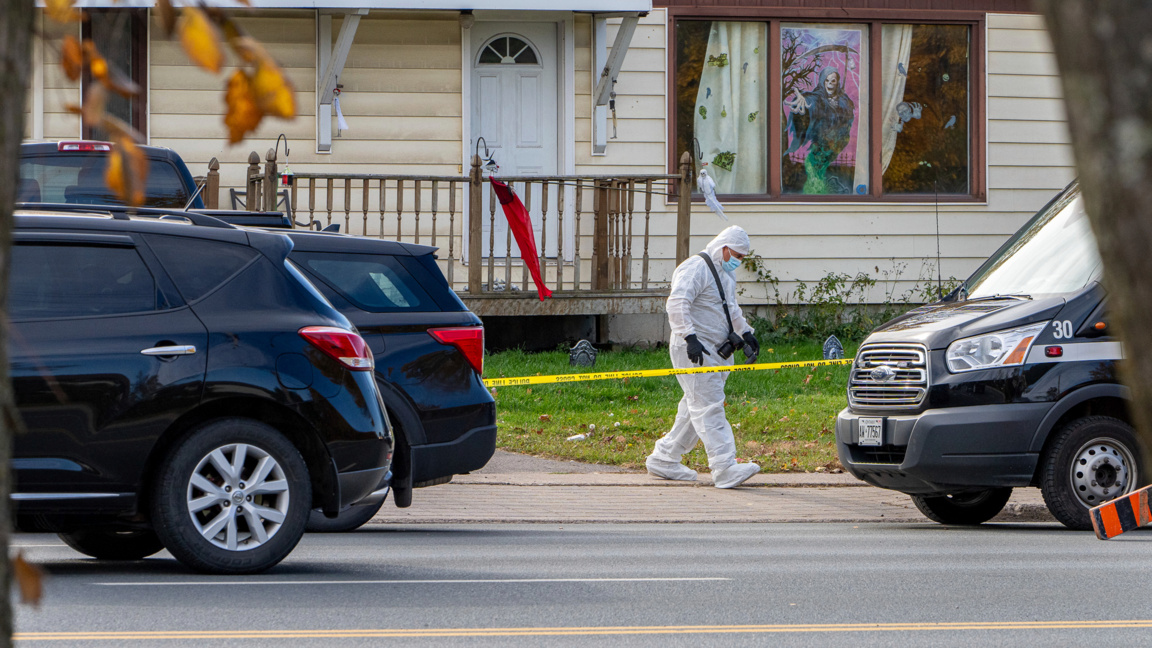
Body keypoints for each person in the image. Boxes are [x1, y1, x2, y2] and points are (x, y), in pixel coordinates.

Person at [646, 225, 762, 489]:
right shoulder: (695, 267)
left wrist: (746, 332)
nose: (739, 261)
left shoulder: (725, 275)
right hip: (695, 350)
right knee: (709, 405)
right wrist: (689, 337)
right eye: (737, 255)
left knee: (694, 406)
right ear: (723, 248)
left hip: (714, 349)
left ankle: (664, 457)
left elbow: (730, 308)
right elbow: (677, 303)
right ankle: (724, 467)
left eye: (743, 257)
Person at [784, 66, 856, 194]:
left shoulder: (844, 100)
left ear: (837, 82)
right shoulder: (817, 97)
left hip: (835, 146)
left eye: (833, 81)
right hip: (820, 147)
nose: (829, 84)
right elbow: (810, 100)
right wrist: (802, 100)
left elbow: (848, 119)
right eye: (827, 80)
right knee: (815, 174)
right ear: (822, 81)